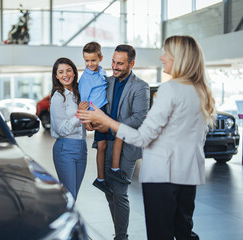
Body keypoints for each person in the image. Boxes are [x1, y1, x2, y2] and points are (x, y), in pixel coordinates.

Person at [77, 35, 215, 240]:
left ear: (180, 59)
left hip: (162, 174)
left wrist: (105, 121)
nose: (161, 58)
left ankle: (120, 236)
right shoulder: (201, 91)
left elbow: (143, 137)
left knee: (160, 232)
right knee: (184, 230)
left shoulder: (168, 88)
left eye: (166, 54)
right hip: (188, 174)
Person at [90, 44, 150, 240]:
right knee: (109, 191)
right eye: (113, 62)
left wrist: (110, 126)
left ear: (131, 63)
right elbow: (96, 105)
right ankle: (119, 232)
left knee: (120, 192)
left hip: (127, 147)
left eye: (120, 63)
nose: (114, 67)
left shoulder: (141, 87)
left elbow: (139, 118)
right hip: (106, 144)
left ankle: (121, 236)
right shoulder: (106, 82)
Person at [78, 42, 129, 196]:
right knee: (108, 141)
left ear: (100, 58)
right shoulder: (85, 79)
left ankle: (105, 176)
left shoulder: (101, 72)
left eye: (93, 60)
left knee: (104, 145)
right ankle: (109, 173)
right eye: (87, 61)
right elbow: (83, 102)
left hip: (104, 111)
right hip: (95, 114)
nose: (90, 64)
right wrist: (87, 122)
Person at [50, 57, 89, 200]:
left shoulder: (79, 93)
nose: (65, 75)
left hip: (82, 147)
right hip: (65, 149)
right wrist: (79, 114)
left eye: (68, 70)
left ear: (74, 72)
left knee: (74, 195)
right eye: (61, 72)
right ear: (56, 76)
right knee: (69, 196)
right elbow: (61, 129)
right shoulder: (58, 97)